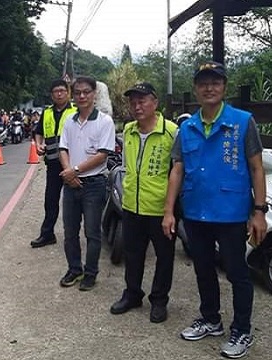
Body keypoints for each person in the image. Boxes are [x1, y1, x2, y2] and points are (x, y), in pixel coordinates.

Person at [161, 61, 267, 359]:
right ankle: (211, 319)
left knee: (237, 273)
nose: (209, 87)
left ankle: (241, 330)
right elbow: (177, 170)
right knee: (203, 269)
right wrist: (169, 211)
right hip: (196, 212)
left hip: (232, 213)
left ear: (224, 87)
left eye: (215, 82)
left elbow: (257, 169)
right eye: (203, 82)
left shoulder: (243, 122)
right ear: (196, 88)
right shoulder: (187, 127)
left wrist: (259, 212)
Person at [109, 82, 177, 323]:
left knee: (164, 257)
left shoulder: (171, 131)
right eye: (133, 102)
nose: (137, 106)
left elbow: (178, 171)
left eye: (142, 101)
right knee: (133, 253)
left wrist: (170, 209)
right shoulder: (128, 130)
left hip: (160, 208)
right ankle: (132, 294)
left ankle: (159, 300)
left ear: (155, 103)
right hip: (131, 206)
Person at [57, 76, 116, 291]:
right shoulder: (69, 121)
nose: (82, 96)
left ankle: (90, 273)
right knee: (70, 231)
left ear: (94, 94)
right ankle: (74, 269)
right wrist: (68, 173)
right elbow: (63, 148)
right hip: (70, 184)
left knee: (92, 232)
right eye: (78, 92)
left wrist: (75, 170)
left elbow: (102, 155)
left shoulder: (104, 121)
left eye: (86, 92)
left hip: (93, 185)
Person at [30, 80, 77, 248]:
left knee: (77, 201)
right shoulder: (47, 112)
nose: (59, 94)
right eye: (56, 91)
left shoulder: (76, 111)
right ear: (52, 94)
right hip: (52, 163)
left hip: (73, 164)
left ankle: (75, 237)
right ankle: (47, 234)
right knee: (50, 200)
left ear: (68, 93)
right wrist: (38, 145)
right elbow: (38, 132)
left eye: (62, 91)